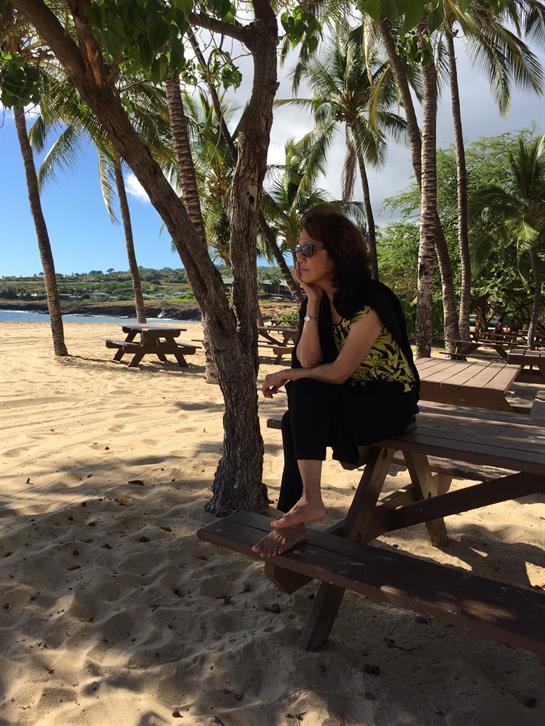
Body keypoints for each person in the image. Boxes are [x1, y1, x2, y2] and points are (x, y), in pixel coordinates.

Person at [252, 204, 420, 558]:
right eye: (296, 250)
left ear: (339, 252)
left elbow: (338, 371)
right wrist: (312, 302)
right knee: (298, 404)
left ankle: (296, 514)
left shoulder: (371, 299)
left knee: (299, 399)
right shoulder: (314, 302)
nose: (300, 257)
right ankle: (305, 506)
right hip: (349, 398)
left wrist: (287, 373)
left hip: (390, 402)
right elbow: (310, 362)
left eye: (308, 248)